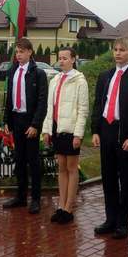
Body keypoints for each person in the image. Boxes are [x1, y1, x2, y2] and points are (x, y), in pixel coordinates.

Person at [91, 37, 128, 239]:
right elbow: (98, 105)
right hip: (106, 130)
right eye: (115, 49)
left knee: (125, 180)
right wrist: (95, 130)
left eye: (122, 50)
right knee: (108, 178)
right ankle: (110, 219)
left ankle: (123, 224)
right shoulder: (105, 76)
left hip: (125, 133)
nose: (117, 53)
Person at [42, 47, 89, 224]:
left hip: (71, 130)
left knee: (71, 167)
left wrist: (78, 134)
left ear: (73, 59)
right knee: (61, 167)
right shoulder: (55, 80)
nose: (61, 61)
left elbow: (83, 110)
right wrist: (47, 130)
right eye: (60, 58)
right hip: (57, 129)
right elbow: (49, 108)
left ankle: (69, 207)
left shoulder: (79, 81)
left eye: (65, 58)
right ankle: (61, 206)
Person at [3, 38, 48, 214]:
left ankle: (36, 199)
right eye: (16, 52)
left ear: (30, 52)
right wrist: (7, 121)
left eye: (21, 52)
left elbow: (42, 101)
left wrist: (36, 124)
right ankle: (20, 197)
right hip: (16, 119)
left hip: (30, 121)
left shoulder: (38, 73)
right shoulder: (13, 70)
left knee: (33, 161)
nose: (18, 55)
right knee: (19, 160)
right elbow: (9, 97)